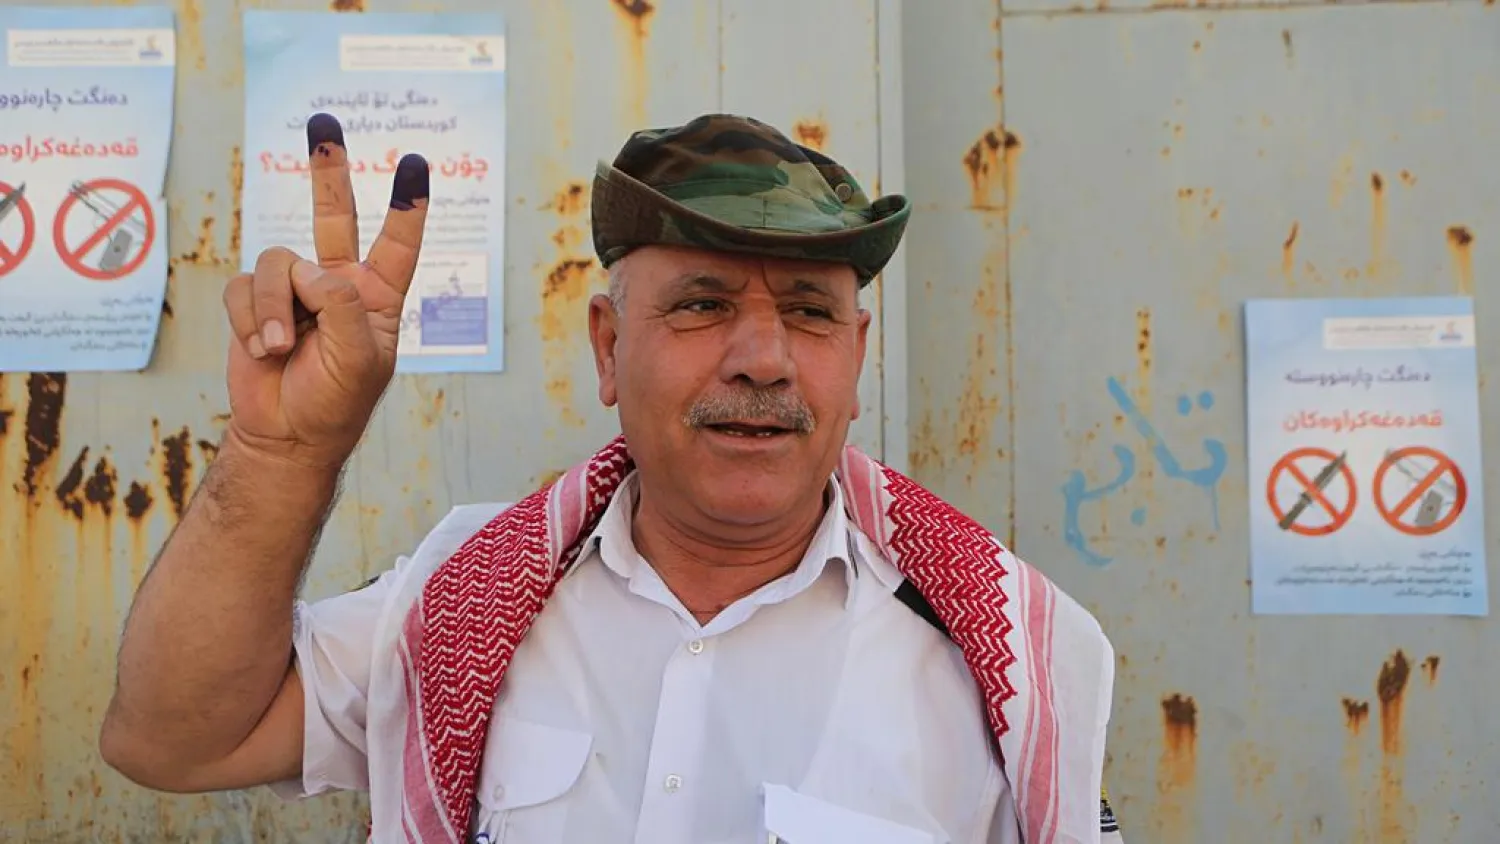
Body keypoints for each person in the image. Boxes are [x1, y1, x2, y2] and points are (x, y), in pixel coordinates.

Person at [100, 112, 1125, 844]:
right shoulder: (463, 601)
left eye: (810, 312)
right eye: (701, 304)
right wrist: (283, 454)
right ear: (606, 346)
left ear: (857, 357)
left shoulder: (1007, 667)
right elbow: (173, 740)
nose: (763, 358)